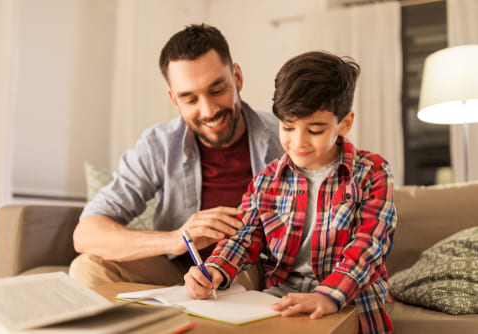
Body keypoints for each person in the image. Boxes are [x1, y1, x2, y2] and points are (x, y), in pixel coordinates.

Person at [184, 51, 397, 334]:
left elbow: (369, 246)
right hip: (281, 299)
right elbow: (244, 238)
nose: (298, 142)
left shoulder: (372, 172)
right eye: (288, 127)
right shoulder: (266, 181)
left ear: (344, 123)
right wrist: (215, 269)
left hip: (350, 299)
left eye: (315, 130)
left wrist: (329, 295)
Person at [69, 24, 283, 288]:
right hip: (178, 270)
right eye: (190, 99)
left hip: (249, 270)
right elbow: (87, 234)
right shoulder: (158, 145)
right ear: (174, 99)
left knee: (243, 277)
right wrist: (177, 239)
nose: (208, 110)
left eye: (217, 90)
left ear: (236, 77)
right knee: (88, 268)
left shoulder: (287, 136)